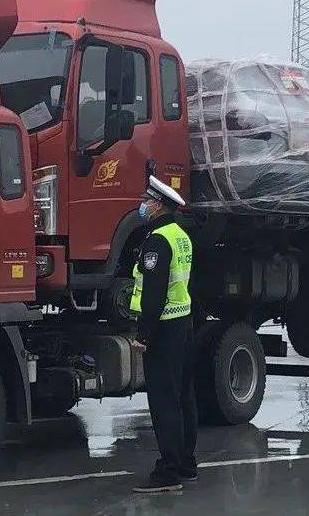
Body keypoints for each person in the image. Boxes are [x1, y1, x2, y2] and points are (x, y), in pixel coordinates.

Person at [130, 174, 197, 494]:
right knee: (184, 395)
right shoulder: (181, 236)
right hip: (182, 323)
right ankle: (186, 462)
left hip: (165, 328)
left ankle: (169, 472)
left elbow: (154, 293)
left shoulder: (157, 240)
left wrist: (144, 333)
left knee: (164, 400)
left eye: (146, 200)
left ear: (158, 205)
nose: (142, 205)